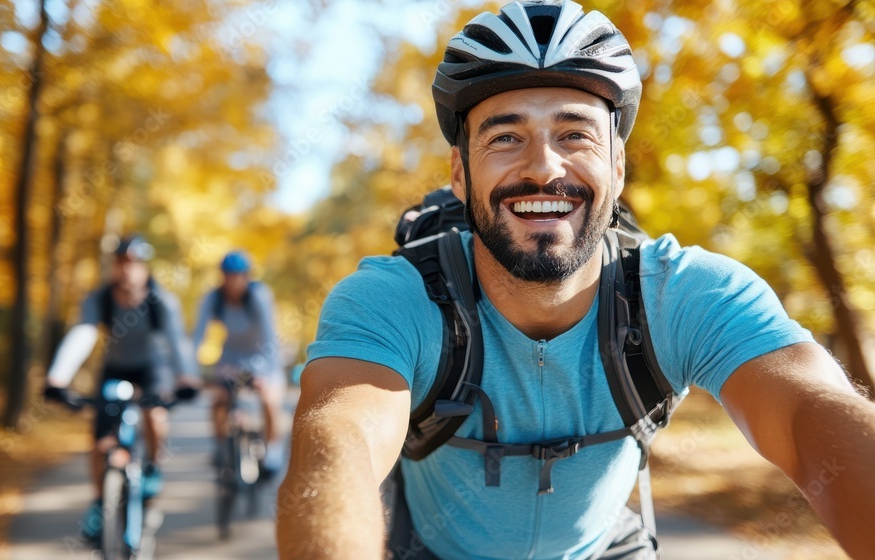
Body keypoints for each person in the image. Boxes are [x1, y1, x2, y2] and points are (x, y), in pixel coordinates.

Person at [276, 2, 875, 559]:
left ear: (616, 166)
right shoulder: (395, 298)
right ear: (460, 174)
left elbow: (809, 412)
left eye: (575, 135)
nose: (542, 168)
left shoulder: (685, 295)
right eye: (505, 137)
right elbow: (338, 451)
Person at [43, 234, 199, 541]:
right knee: (100, 443)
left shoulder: (161, 301)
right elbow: (83, 334)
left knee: (154, 414)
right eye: (121, 263)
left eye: (134, 263)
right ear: (114, 266)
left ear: (144, 267)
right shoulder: (99, 299)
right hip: (115, 367)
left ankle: (153, 468)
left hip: (152, 366)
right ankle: (101, 503)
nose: (127, 270)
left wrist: (187, 379)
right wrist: (57, 378)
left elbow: (176, 340)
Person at [191, 250, 286, 478]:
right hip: (230, 358)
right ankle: (222, 449)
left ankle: (272, 449)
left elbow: (270, 338)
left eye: (238, 275)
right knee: (218, 401)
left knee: (268, 399)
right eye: (228, 275)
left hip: (262, 357)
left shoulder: (259, 296)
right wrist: (191, 372)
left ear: (247, 276)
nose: (233, 280)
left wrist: (265, 374)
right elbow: (197, 337)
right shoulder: (213, 299)